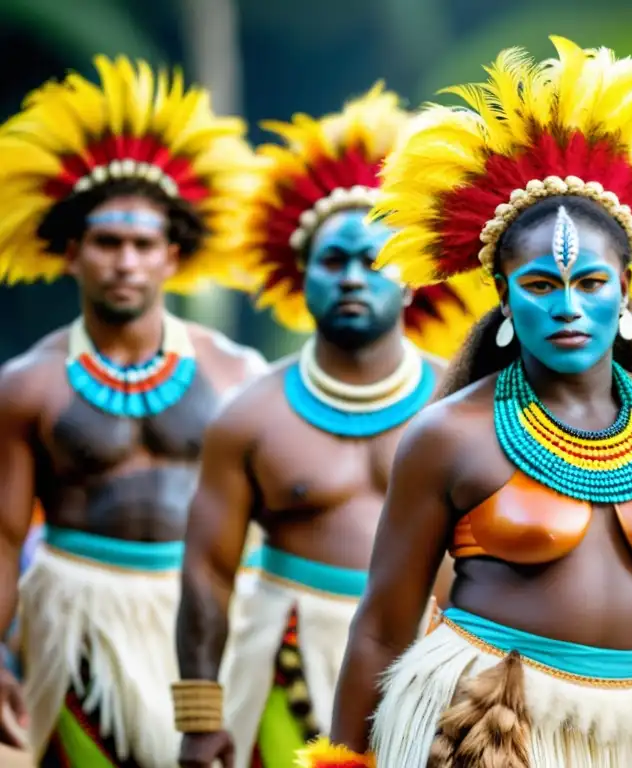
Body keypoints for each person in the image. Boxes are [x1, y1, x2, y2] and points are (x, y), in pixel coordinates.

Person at [296, 36, 632, 768]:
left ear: (625, 291)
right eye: (540, 285)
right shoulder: (451, 435)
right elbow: (383, 622)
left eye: (591, 283)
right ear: (503, 296)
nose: (568, 305)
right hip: (476, 724)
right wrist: (345, 759)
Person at [173, 83, 489, 768]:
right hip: (282, 662)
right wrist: (199, 719)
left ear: (409, 281)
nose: (352, 278)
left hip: (442, 670)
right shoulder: (250, 416)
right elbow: (206, 574)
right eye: (332, 261)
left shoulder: (467, 403)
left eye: (373, 262)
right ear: (302, 277)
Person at [0, 55, 264, 767]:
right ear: (69, 254)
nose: (126, 261)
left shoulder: (238, 374)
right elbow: (1, 538)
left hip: (217, 622)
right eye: (107, 243)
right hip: (79, 617)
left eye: (143, 244)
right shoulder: (28, 386)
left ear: (173, 255)